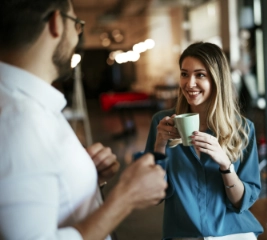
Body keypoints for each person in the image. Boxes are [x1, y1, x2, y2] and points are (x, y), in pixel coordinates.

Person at [0, 0, 167, 239]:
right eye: (76, 24)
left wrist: (84, 178)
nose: (78, 33)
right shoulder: (19, 121)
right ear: (56, 23)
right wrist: (126, 197)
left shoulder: (26, 105)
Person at [145, 42, 263, 240]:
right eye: (184, 74)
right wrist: (159, 146)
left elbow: (241, 202)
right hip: (184, 234)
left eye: (200, 75)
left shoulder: (242, 128)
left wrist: (226, 165)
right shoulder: (162, 123)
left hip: (232, 233)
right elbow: (154, 195)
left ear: (217, 80)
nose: (189, 83)